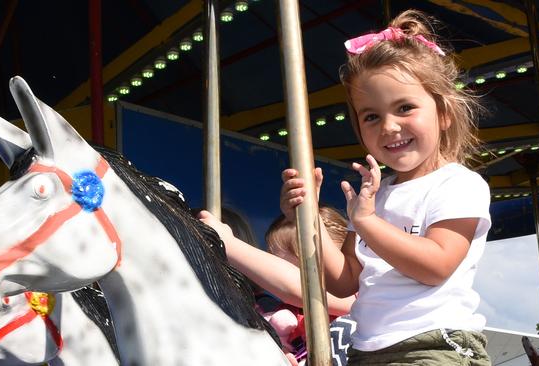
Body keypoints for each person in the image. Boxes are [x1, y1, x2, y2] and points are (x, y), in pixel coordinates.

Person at [279, 9, 492, 365]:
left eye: (405, 108)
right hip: (368, 348)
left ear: (443, 112)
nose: (389, 127)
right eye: (372, 116)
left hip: (435, 344)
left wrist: (366, 222)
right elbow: (346, 280)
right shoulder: (375, 196)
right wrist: (309, 217)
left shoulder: (458, 185)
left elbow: (436, 265)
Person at [198, 205, 356, 364]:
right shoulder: (290, 313)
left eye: (286, 268)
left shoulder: (357, 298)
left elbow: (300, 289)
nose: (274, 280)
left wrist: (229, 244)